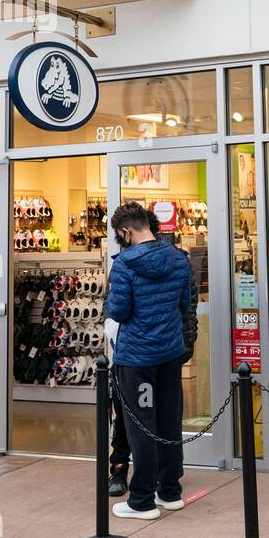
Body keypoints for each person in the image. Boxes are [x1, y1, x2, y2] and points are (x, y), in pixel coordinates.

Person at [106, 202, 196, 520]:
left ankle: (141, 500)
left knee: (141, 426)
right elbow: (184, 303)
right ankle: (170, 492)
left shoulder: (125, 264)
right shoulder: (178, 258)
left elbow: (118, 311)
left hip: (136, 359)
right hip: (170, 354)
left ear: (126, 231)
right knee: (170, 422)